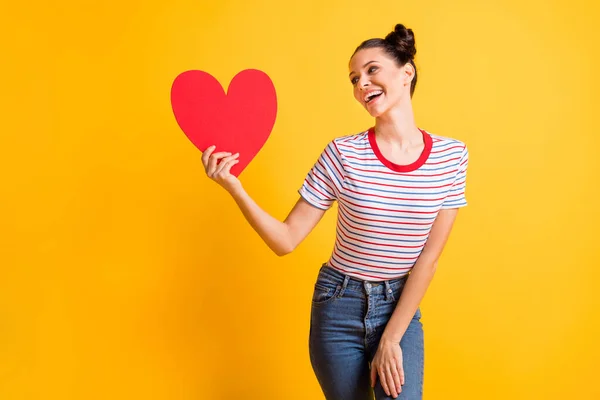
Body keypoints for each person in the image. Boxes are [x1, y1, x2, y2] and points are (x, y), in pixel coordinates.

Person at [201, 23, 468, 400]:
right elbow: (285, 240)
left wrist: (391, 338)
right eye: (354, 78)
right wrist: (234, 187)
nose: (362, 84)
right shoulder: (342, 155)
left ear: (406, 72)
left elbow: (429, 257)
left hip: (400, 307)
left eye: (372, 70)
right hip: (338, 306)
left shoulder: (451, 156)